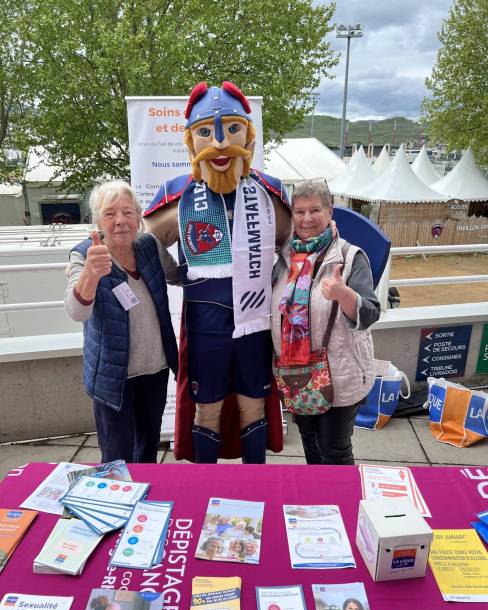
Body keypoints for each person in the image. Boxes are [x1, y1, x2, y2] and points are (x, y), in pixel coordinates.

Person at [144, 81, 291, 464]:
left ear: (248, 133)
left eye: (231, 129)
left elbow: (293, 245)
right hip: (206, 326)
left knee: (253, 406)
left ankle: (255, 485)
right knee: (205, 409)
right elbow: (147, 242)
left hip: (255, 324)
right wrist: (175, 274)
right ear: (191, 140)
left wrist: (277, 279)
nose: (221, 143)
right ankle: (205, 486)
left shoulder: (269, 192)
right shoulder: (176, 193)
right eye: (207, 132)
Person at [65, 180, 178, 463]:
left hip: (155, 369)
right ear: (98, 221)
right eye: (110, 213)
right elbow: (76, 311)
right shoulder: (85, 255)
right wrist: (90, 275)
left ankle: (145, 506)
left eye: (128, 212)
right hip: (113, 376)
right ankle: (117, 504)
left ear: (138, 217)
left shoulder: (149, 245)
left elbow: (178, 275)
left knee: (148, 449)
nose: (120, 221)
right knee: (117, 457)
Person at [271, 180, 379, 465]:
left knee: (333, 449)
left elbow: (370, 313)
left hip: (340, 377)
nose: (307, 219)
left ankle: (343, 504)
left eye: (315, 210)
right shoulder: (284, 260)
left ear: (330, 211)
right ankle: (319, 505)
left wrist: (344, 294)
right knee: (310, 447)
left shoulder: (349, 256)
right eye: (300, 211)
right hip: (296, 375)